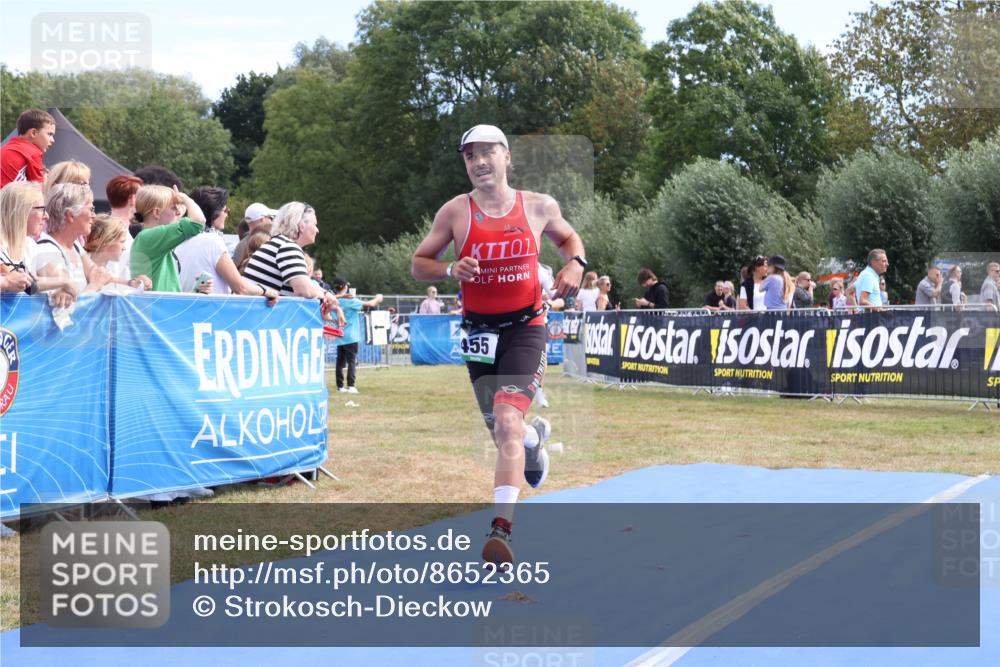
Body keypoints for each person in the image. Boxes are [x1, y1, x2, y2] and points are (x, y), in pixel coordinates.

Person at [411, 124, 584, 564]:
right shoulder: (455, 212)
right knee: (501, 430)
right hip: (477, 334)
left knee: (506, 420)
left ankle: (501, 530)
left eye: (488, 152)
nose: (479, 162)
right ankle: (533, 440)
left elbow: (568, 240)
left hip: (526, 327)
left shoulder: (539, 205)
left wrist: (576, 266)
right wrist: (451, 270)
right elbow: (419, 263)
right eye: (470, 156)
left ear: (507, 157)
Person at [243, 202, 345, 323]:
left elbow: (306, 286)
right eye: (315, 224)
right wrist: (327, 297)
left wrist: (325, 294)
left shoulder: (277, 244)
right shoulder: (287, 247)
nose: (317, 230)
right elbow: (304, 290)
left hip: (255, 319)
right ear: (301, 226)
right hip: (263, 322)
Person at [0, 182, 74, 301]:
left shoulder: (29, 245)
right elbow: (28, 284)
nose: (47, 216)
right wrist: (5, 282)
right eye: (42, 209)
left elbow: (60, 275)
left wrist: (61, 287)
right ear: (21, 211)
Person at [34, 183, 110, 297]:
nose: (94, 215)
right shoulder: (46, 251)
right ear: (71, 216)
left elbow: (97, 273)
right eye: (91, 209)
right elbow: (67, 308)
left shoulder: (75, 245)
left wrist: (132, 282)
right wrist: (93, 286)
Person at [129, 185, 206, 291]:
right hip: (157, 307)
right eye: (174, 208)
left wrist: (198, 291)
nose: (178, 213)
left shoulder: (150, 238)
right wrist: (185, 198)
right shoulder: (149, 237)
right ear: (156, 212)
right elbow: (198, 222)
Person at [331, 276, 384, 393]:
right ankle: (351, 386)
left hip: (340, 335)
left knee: (340, 362)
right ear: (345, 287)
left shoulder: (333, 300)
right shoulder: (350, 301)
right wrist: (378, 298)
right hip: (351, 336)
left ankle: (340, 386)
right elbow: (370, 304)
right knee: (351, 361)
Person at [83, 214, 152, 291]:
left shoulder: (109, 270)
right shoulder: (80, 269)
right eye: (122, 241)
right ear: (107, 241)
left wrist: (139, 283)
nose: (124, 248)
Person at [104, 175, 144, 281]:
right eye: (140, 195)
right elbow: (111, 274)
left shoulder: (115, 228)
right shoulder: (115, 231)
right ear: (132, 199)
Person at [1, 109, 55, 186]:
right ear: (33, 133)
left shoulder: (8, 146)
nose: (53, 140)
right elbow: (40, 189)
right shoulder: (33, 152)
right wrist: (47, 178)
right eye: (50, 134)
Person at [232, 202, 277, 269]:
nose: (272, 221)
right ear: (263, 219)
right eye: (270, 218)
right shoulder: (264, 242)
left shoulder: (240, 245)